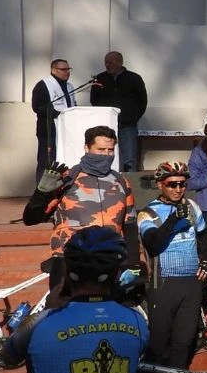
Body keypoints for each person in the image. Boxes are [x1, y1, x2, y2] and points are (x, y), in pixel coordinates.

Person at [0, 227, 148, 373]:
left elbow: (8, 357)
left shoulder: (38, 324)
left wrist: (47, 312)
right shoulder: (137, 320)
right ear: (117, 274)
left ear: (67, 273)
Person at [22, 125, 139, 304]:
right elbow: (30, 219)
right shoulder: (67, 179)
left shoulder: (121, 181)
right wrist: (41, 193)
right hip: (69, 260)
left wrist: (134, 265)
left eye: (110, 150)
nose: (106, 155)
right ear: (86, 148)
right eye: (100, 150)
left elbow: (130, 226)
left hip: (110, 260)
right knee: (63, 317)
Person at [137, 161, 207, 368]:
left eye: (182, 184)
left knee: (184, 342)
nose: (178, 189)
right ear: (160, 184)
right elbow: (153, 243)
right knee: (159, 344)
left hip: (190, 282)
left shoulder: (192, 207)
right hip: (162, 283)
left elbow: (204, 237)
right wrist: (172, 221)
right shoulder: (147, 213)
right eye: (172, 184)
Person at [90, 51, 148, 173]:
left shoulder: (134, 78)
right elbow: (94, 100)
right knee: (105, 156)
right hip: (106, 126)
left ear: (120, 62)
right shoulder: (100, 79)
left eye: (110, 62)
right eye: (106, 62)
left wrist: (133, 117)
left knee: (129, 159)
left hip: (127, 125)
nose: (108, 65)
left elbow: (142, 101)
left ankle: (129, 186)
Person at [31, 58, 76, 182]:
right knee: (47, 162)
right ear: (54, 70)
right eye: (63, 69)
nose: (67, 72)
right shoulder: (43, 85)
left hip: (66, 130)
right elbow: (37, 107)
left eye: (68, 69)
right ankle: (42, 193)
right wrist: (58, 114)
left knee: (64, 161)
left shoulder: (70, 86)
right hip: (49, 131)